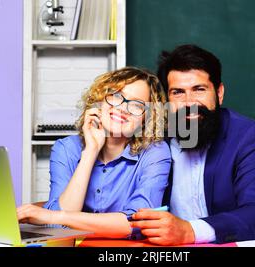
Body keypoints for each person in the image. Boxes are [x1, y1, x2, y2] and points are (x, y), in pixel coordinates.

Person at [130, 45, 255, 245]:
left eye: (199, 89)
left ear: (219, 93)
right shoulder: (152, 138)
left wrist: (190, 231)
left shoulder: (248, 137)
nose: (189, 102)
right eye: (178, 92)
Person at [17, 67, 171, 238]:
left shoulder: (156, 153)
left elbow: (137, 223)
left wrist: (55, 215)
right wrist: (90, 151)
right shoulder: (66, 148)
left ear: (146, 118)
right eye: (116, 96)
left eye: (136, 105)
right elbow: (57, 227)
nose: (122, 108)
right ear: (99, 101)